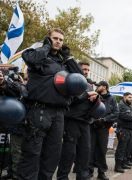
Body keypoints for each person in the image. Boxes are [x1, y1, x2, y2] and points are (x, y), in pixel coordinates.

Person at [17, 28, 74, 179]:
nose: (58, 41)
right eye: (55, 38)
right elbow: (32, 60)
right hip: (39, 110)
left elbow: (79, 80)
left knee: (52, 156)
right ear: (48, 39)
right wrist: (46, 46)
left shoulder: (63, 63)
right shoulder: (36, 54)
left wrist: (68, 58)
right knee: (32, 154)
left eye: (61, 40)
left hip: (59, 114)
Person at [57, 62, 99, 180]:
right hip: (72, 121)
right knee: (69, 152)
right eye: (84, 69)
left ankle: (83, 176)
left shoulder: (89, 85)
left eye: (87, 70)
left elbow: (91, 102)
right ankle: (62, 176)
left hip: (86, 122)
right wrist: (86, 95)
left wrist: (95, 99)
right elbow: (69, 101)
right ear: (78, 69)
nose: (86, 71)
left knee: (85, 151)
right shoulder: (71, 81)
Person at [89, 80, 118, 179]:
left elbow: (115, 113)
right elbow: (88, 109)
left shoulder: (112, 99)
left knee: (102, 150)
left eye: (99, 86)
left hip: (103, 128)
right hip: (92, 127)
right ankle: (89, 171)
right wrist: (93, 120)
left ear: (105, 87)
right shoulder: (94, 96)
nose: (97, 87)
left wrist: (104, 120)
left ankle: (101, 172)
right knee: (90, 149)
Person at [114, 92, 132, 173]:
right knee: (121, 148)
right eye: (129, 97)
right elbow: (122, 116)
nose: (131, 99)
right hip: (123, 129)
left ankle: (123, 163)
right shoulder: (121, 105)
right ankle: (118, 166)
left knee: (127, 148)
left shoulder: (129, 106)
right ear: (124, 97)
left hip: (129, 129)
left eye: (131, 97)